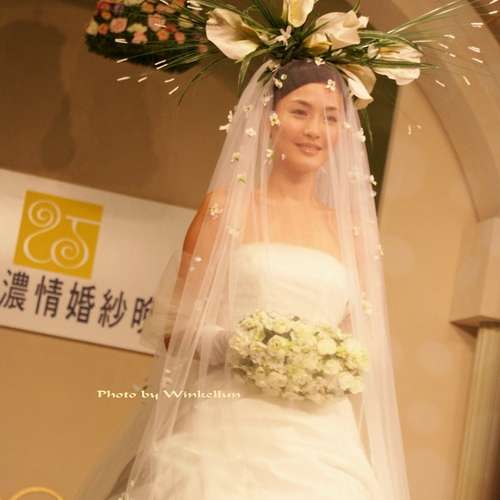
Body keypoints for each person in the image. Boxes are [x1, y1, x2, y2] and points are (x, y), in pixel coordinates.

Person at [76, 59, 411, 500]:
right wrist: (240, 345)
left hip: (321, 434)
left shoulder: (353, 231)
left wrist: (325, 358)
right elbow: (174, 327)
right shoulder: (225, 207)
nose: (315, 130)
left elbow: (360, 337)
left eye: (331, 118)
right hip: (225, 418)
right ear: (268, 119)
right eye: (300, 112)